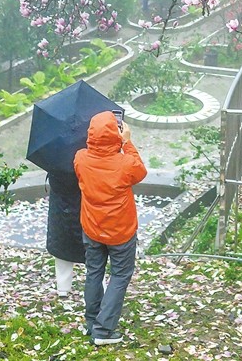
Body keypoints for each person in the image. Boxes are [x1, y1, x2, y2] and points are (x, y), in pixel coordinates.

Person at [74, 111, 147, 346]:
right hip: (120, 231)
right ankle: (103, 331)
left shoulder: (80, 158)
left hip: (92, 227)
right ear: (115, 132)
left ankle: (92, 322)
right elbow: (140, 171)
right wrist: (126, 141)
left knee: (94, 272)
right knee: (119, 275)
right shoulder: (125, 163)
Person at [46, 170, 86, 297]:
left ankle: (63, 288)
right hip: (86, 206)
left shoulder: (55, 159)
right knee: (92, 249)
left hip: (60, 206)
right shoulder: (88, 156)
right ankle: (98, 285)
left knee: (62, 244)